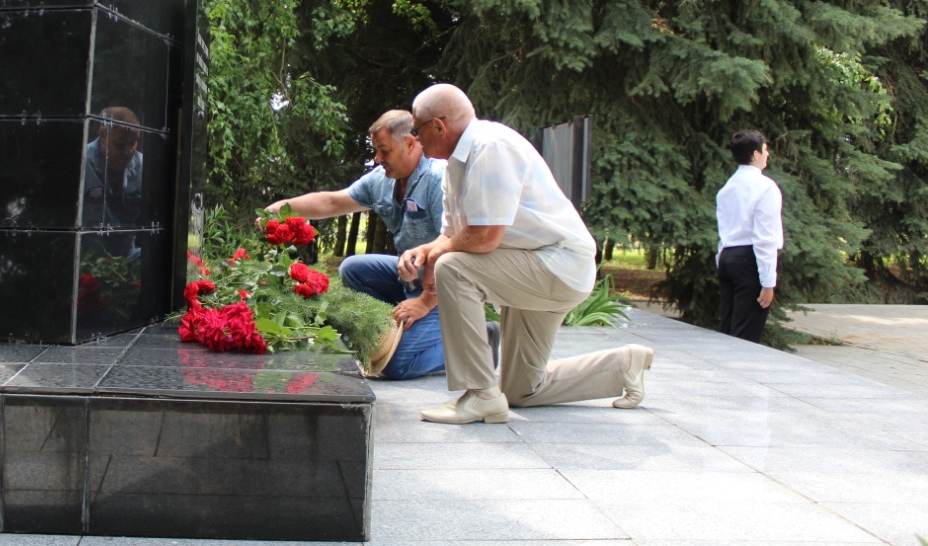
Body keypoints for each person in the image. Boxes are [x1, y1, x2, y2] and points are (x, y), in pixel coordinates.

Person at [397, 84, 653, 424]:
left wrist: (439, 255)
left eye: (417, 129)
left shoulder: (490, 148)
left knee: (454, 267)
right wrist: (425, 251)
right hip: (529, 265)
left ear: (439, 126)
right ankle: (622, 366)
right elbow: (452, 235)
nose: (415, 138)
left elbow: (485, 236)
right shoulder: (455, 165)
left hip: (557, 265)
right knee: (521, 389)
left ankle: (480, 395)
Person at [265, 110, 447, 379]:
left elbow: (453, 246)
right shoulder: (382, 180)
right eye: (376, 150)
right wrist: (282, 209)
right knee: (353, 269)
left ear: (410, 143)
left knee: (395, 365)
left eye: (384, 150)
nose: (378, 159)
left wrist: (425, 301)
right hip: (412, 278)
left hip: (445, 289)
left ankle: (478, 339)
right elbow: (333, 202)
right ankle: (396, 327)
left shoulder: (438, 179)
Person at [715, 129, 784, 343]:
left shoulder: (728, 187)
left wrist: (721, 258)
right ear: (755, 154)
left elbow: (724, 228)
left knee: (727, 328)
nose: (767, 154)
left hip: (728, 257)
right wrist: (768, 282)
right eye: (764, 149)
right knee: (745, 336)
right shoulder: (765, 187)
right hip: (749, 260)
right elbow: (764, 238)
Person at [84, 106, 143, 258]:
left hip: (127, 256)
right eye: (121, 144)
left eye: (133, 143)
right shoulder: (81, 163)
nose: (129, 150)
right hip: (87, 258)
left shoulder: (144, 167)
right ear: (103, 135)